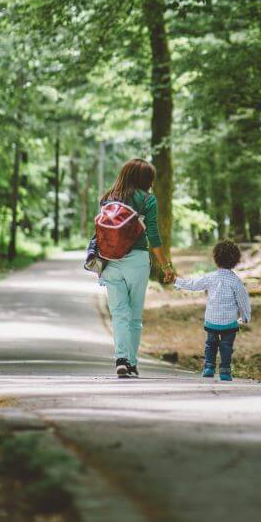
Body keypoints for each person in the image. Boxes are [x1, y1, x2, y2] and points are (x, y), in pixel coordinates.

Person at [93, 158, 175, 378]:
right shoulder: (148, 200)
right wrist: (165, 265)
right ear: (147, 180)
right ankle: (131, 363)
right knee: (134, 316)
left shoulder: (107, 198)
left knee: (119, 313)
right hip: (137, 261)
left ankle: (121, 358)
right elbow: (154, 236)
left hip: (110, 260)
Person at [174, 240, 251, 381]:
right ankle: (225, 371)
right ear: (236, 261)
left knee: (210, 344)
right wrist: (245, 316)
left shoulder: (210, 277)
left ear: (216, 259)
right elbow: (243, 301)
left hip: (212, 321)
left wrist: (177, 281)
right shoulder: (236, 281)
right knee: (227, 346)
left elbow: (194, 284)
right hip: (229, 322)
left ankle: (209, 367)